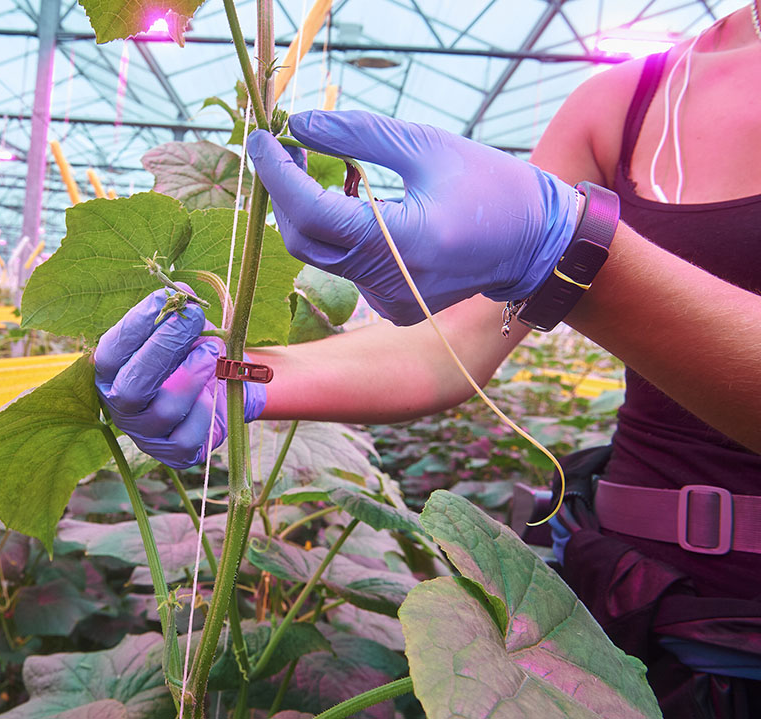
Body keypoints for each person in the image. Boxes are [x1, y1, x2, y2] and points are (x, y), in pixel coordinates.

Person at [93, 4, 761, 715]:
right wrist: (233, 376)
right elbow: (454, 343)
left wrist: (570, 249)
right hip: (628, 587)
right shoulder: (628, 99)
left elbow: (544, 254)